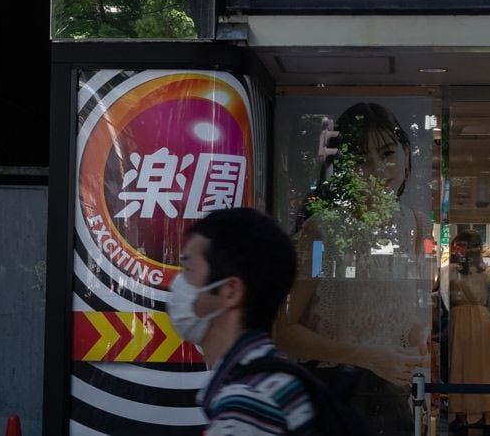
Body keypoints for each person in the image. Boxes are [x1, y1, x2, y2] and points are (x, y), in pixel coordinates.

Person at [275, 103, 430, 436]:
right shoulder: (322, 233)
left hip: (393, 398)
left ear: (405, 152)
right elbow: (284, 331)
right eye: (361, 160)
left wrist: (418, 335)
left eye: (387, 153)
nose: (377, 170)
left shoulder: (414, 225)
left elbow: (396, 312)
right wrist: (368, 357)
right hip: (336, 395)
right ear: (344, 168)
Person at [170, 208, 316, 435]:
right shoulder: (271, 378)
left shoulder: (247, 406)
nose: (177, 284)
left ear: (230, 291)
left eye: (189, 270)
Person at [441, 232, 490, 436]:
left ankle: (462, 419)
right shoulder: (487, 271)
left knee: (460, 366)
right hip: (483, 320)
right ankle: (488, 419)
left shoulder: (450, 271)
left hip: (459, 319)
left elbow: (443, 298)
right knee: (486, 367)